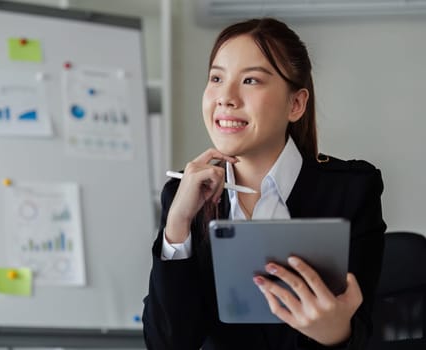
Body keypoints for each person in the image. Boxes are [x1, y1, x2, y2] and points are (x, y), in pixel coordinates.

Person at [142, 17, 386, 350]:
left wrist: (333, 333)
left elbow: (361, 335)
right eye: (216, 78)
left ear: (296, 104)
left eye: (251, 80)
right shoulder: (184, 195)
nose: (225, 97)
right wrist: (178, 227)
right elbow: (168, 343)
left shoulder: (352, 190)